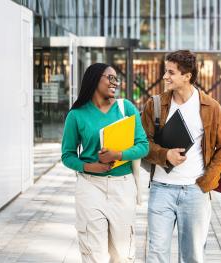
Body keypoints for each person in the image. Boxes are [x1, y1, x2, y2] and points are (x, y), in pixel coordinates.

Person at [141, 50, 221, 263]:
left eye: (171, 72)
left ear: (187, 76)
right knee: (156, 254)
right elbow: (143, 144)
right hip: (161, 189)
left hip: (195, 191)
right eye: (166, 71)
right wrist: (165, 155)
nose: (165, 77)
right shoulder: (154, 105)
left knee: (193, 256)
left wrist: (207, 181)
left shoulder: (211, 107)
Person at [61, 63, 149, 262]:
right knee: (94, 253)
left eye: (116, 78)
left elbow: (143, 145)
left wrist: (117, 155)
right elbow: (67, 155)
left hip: (123, 188)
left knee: (122, 253)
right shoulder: (76, 115)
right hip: (90, 187)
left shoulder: (125, 108)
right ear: (94, 79)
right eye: (109, 77)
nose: (114, 82)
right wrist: (89, 166)